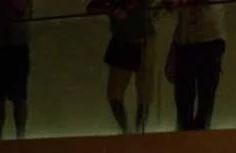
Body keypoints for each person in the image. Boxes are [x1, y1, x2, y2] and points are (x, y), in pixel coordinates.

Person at [87, 0, 156, 134]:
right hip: (125, 40)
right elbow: (92, 8)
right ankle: (129, 130)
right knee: (117, 94)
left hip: (140, 40)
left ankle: (134, 131)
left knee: (143, 94)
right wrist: (112, 10)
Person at [165, 0, 225, 132]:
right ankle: (188, 138)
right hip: (186, 40)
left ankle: (196, 138)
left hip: (207, 38)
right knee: (185, 99)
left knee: (204, 96)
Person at [0, 0, 32, 140]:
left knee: (15, 97)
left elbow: (21, 9)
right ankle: (7, 137)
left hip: (11, 45)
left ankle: (12, 137)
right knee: (1, 97)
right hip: (4, 46)